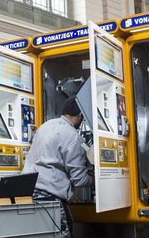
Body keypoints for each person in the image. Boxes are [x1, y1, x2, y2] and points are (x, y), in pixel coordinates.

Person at [21, 96, 93, 238]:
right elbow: (79, 179)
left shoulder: (45, 126)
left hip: (29, 196)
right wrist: (98, 180)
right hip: (51, 201)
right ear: (80, 115)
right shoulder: (73, 136)